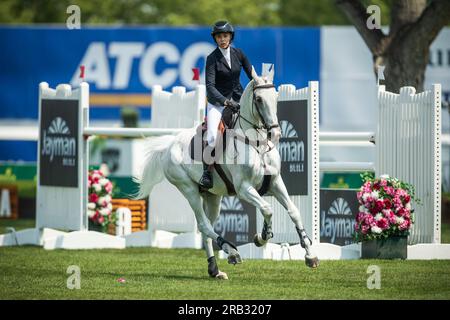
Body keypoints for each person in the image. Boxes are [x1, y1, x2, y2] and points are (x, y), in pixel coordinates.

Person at [199, 20, 253, 189]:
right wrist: (225, 101)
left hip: (237, 100)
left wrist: (260, 83)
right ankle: (207, 173)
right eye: (219, 37)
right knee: (213, 136)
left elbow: (251, 73)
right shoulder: (212, 59)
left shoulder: (239, 54)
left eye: (225, 36)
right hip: (218, 104)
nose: (222, 39)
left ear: (230, 37)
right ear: (215, 39)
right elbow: (210, 87)